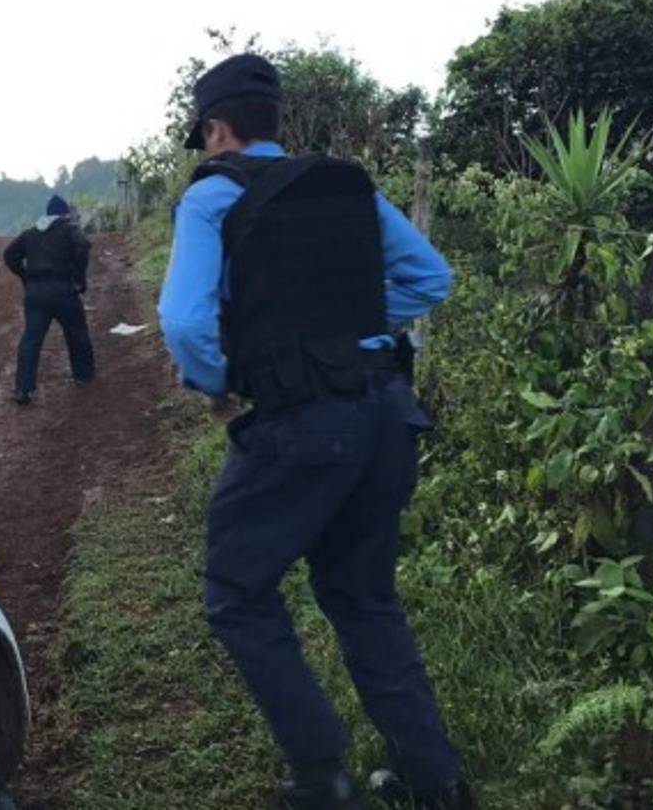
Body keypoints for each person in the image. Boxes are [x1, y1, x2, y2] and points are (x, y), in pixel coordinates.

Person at [158, 54, 471, 810]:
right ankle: (434, 783)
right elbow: (431, 278)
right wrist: (342, 330)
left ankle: (318, 775)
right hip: (387, 413)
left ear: (215, 128)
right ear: (276, 124)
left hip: (301, 425)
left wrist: (223, 379)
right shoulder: (345, 183)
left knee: (237, 592)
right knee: (363, 597)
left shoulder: (211, 198)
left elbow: (183, 321)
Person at [3, 195, 95, 405]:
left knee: (31, 339)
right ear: (64, 213)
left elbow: (9, 255)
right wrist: (78, 276)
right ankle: (83, 376)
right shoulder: (70, 229)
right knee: (77, 332)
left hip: (36, 293)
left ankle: (23, 389)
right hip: (63, 288)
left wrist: (26, 276)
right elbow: (82, 247)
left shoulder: (31, 233)